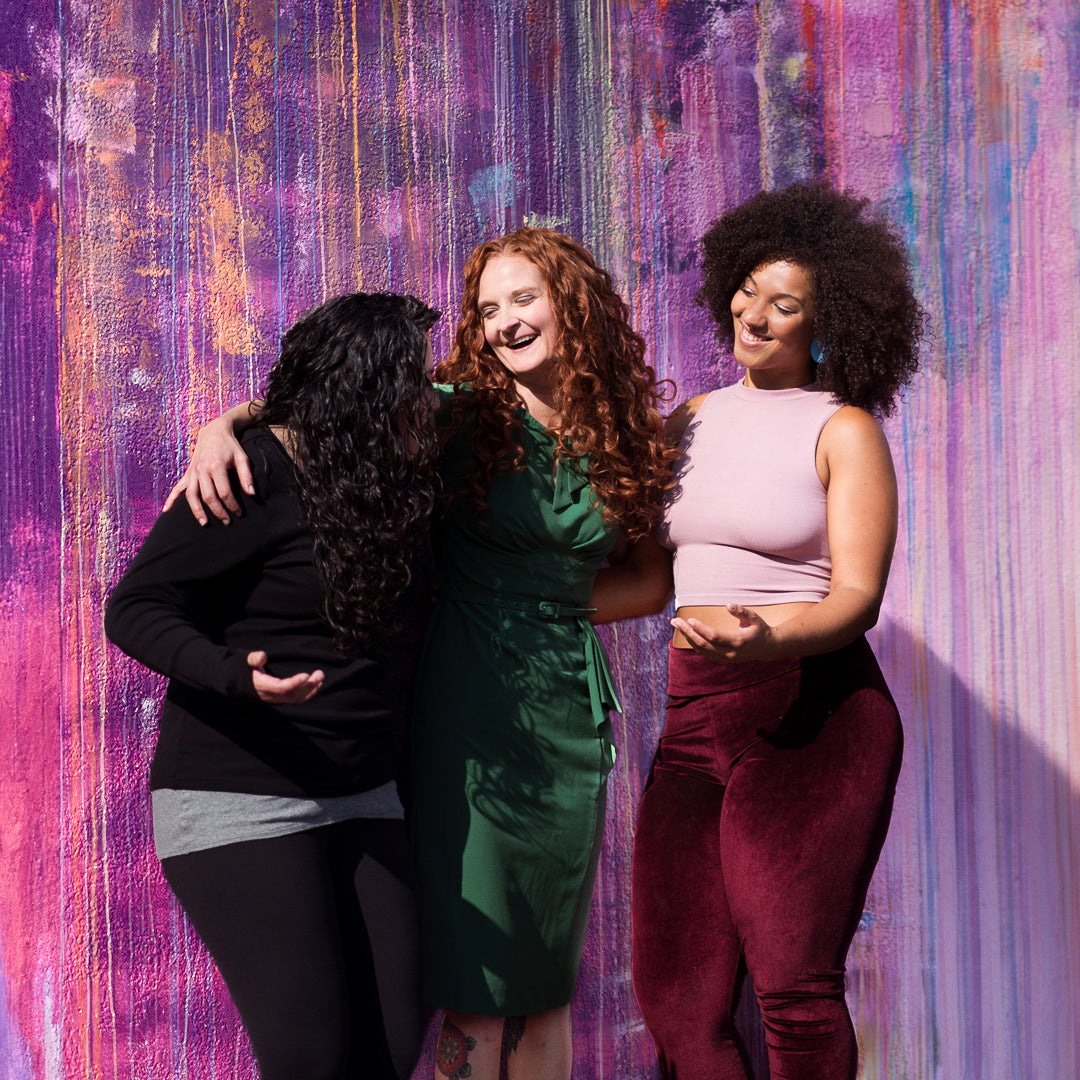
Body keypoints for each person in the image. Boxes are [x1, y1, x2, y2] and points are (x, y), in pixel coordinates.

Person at [163, 228, 675, 1080]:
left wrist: (547, 604)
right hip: (465, 696)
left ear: (572, 302)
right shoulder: (458, 411)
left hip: (567, 716)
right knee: (475, 978)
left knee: (545, 980)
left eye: (523, 298)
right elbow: (330, 401)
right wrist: (223, 425)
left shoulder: (624, 428)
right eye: (488, 308)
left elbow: (650, 581)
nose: (505, 321)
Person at [619, 182, 925, 1080]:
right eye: (748, 290)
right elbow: (645, 579)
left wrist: (769, 641)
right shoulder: (694, 418)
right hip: (693, 714)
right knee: (678, 1000)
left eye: (783, 303)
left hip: (813, 713)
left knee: (793, 988)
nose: (755, 313)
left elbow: (857, 597)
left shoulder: (845, 429)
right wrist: (505, 599)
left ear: (824, 324)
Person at [106, 292, 442, 1080]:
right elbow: (136, 607)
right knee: (309, 1059)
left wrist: (225, 414)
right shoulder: (253, 471)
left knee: (391, 1048)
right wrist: (234, 676)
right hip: (241, 793)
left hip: (363, 789)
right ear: (370, 391)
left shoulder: (392, 470)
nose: (428, 397)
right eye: (411, 382)